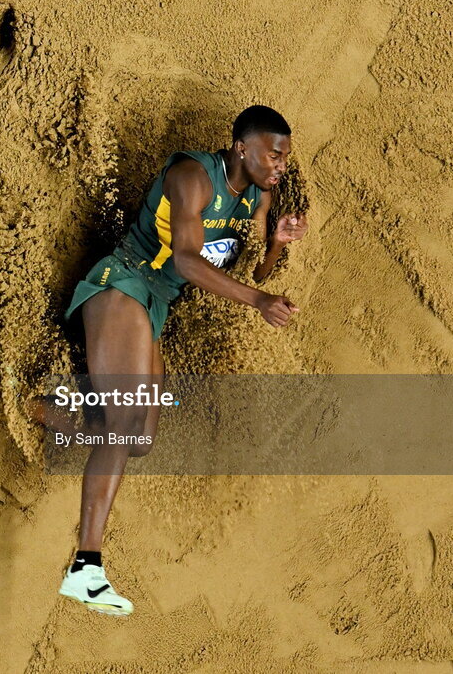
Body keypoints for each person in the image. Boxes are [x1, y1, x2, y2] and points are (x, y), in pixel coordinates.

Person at [30, 105, 309, 616]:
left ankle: (36, 407)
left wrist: (275, 245)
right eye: (274, 154)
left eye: (285, 158)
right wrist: (257, 303)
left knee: (138, 439)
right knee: (122, 427)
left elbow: (261, 274)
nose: (280, 165)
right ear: (241, 147)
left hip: (153, 305)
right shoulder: (192, 178)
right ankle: (85, 568)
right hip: (124, 283)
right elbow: (184, 259)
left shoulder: (259, 197)